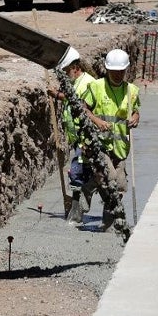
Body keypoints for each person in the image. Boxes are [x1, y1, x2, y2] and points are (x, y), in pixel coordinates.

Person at [82, 48, 141, 237]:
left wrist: (135, 117)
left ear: (126, 71)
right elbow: (82, 109)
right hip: (99, 144)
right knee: (110, 179)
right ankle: (91, 186)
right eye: (113, 72)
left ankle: (107, 222)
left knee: (121, 185)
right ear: (107, 70)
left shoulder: (131, 91)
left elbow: (136, 111)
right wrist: (97, 121)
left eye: (120, 72)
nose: (117, 75)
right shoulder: (97, 87)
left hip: (120, 146)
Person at [48, 46, 96, 224]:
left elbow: (81, 104)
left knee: (78, 171)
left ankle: (78, 210)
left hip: (85, 136)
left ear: (76, 67)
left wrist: (59, 96)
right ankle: (78, 209)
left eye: (67, 70)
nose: (66, 74)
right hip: (76, 137)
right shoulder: (76, 82)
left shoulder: (88, 83)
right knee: (78, 171)